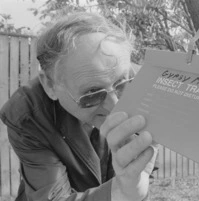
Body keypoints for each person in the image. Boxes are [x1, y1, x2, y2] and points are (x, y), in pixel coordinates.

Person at [0, 12, 158, 201]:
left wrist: (135, 186)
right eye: (92, 93)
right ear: (50, 85)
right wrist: (122, 191)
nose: (115, 106)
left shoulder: (144, 87)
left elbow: (140, 176)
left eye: (121, 83)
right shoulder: (27, 114)